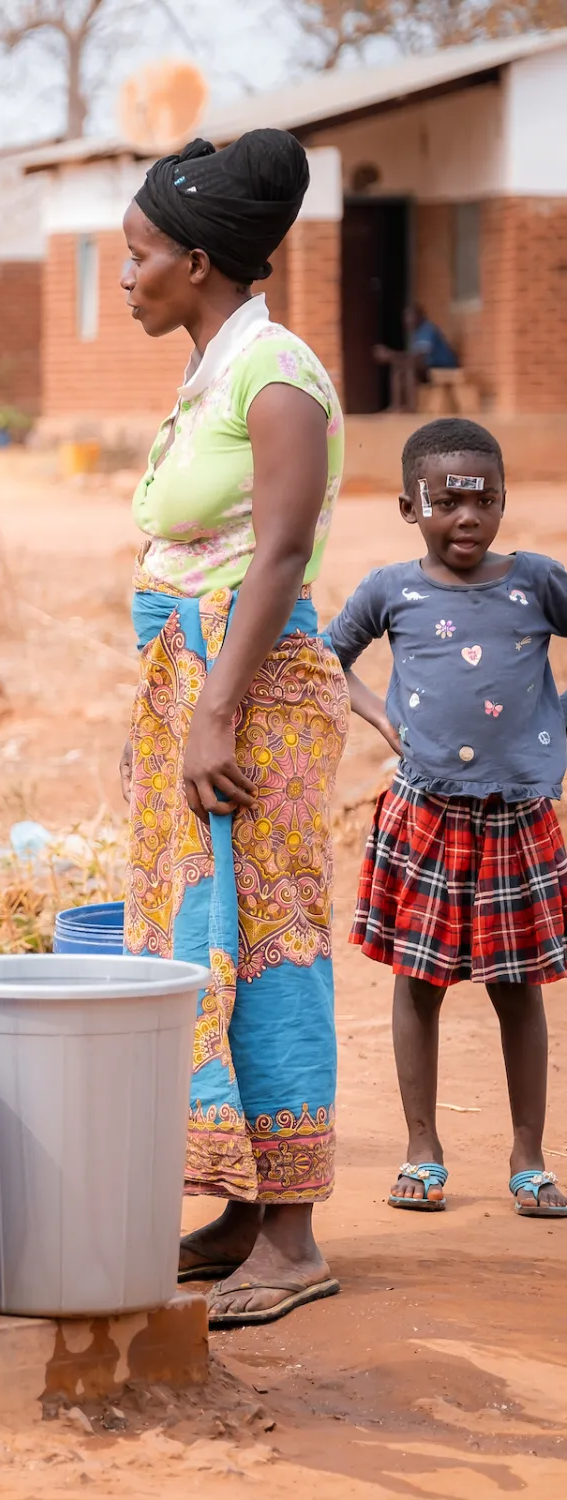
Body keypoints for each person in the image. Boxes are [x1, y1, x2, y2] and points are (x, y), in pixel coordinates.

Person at [113, 130, 351, 1328]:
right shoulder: (217, 368)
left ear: (198, 261)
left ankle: (298, 1231)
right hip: (197, 679)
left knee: (268, 941)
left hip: (245, 694)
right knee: (202, 932)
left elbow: (285, 551)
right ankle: (246, 1209)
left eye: (139, 255)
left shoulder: (279, 378)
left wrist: (214, 713)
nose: (126, 277)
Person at [326, 418, 567, 1219]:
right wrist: (379, 718)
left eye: (485, 499)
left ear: (504, 502)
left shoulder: (536, 582)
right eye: (448, 500)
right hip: (425, 813)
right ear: (409, 506)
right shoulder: (391, 590)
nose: (468, 517)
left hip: (518, 820)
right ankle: (422, 1148)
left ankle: (529, 1157)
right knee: (418, 984)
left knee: (518, 988)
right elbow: (329, 658)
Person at [375, 304, 460, 414]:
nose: (407, 321)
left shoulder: (428, 329)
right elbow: (413, 356)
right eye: (405, 317)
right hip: (429, 365)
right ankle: (396, 406)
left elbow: (419, 356)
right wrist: (393, 357)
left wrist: (390, 354)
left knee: (410, 366)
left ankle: (411, 407)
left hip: (443, 365)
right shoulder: (416, 334)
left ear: (420, 316)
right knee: (398, 365)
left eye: (410, 316)